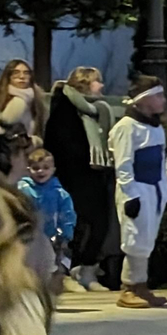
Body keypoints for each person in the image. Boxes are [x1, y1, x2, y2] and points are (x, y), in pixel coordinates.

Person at [43, 66, 119, 291]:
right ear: (85, 84)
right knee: (78, 225)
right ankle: (71, 269)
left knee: (100, 224)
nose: (102, 86)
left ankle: (87, 269)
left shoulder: (99, 110)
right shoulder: (65, 108)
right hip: (74, 177)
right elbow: (61, 144)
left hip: (96, 175)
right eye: (98, 82)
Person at [110, 75, 167, 308]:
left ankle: (141, 285)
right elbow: (123, 164)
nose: (162, 100)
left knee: (146, 239)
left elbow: (161, 160)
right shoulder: (127, 127)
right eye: (158, 95)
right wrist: (130, 195)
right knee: (134, 238)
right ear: (143, 100)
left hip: (154, 189)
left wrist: (163, 192)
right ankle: (128, 287)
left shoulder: (155, 127)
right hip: (137, 189)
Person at [17, 147, 76, 290]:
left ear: (53, 169)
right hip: (27, 237)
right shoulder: (21, 189)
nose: (41, 171)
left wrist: (66, 233)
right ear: (28, 169)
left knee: (51, 267)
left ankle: (46, 293)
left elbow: (67, 214)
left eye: (45, 168)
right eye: (35, 168)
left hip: (51, 238)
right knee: (26, 266)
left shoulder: (60, 193)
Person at [0, 61, 44, 139]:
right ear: (8, 76)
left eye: (26, 73)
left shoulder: (37, 100)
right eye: (16, 73)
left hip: (29, 147)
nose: (22, 76)